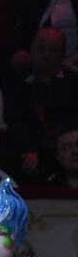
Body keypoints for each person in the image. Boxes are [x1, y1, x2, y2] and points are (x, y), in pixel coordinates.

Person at [6, 27, 78, 178]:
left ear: (63, 54)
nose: (46, 55)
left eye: (54, 50)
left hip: (70, 149)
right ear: (31, 51)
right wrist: (28, 150)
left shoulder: (74, 82)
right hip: (33, 152)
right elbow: (16, 122)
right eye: (41, 49)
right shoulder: (17, 83)